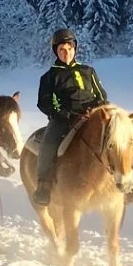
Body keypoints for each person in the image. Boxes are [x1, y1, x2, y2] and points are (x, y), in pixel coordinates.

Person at [31, 27, 110, 207]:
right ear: (56, 52)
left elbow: (101, 95)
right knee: (49, 143)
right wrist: (62, 114)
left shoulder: (88, 71)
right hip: (64, 119)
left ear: (75, 49)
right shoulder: (50, 76)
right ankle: (43, 185)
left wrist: (100, 109)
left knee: (116, 136)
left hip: (93, 115)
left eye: (69, 49)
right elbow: (44, 103)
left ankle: (123, 182)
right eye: (61, 50)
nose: (65, 53)